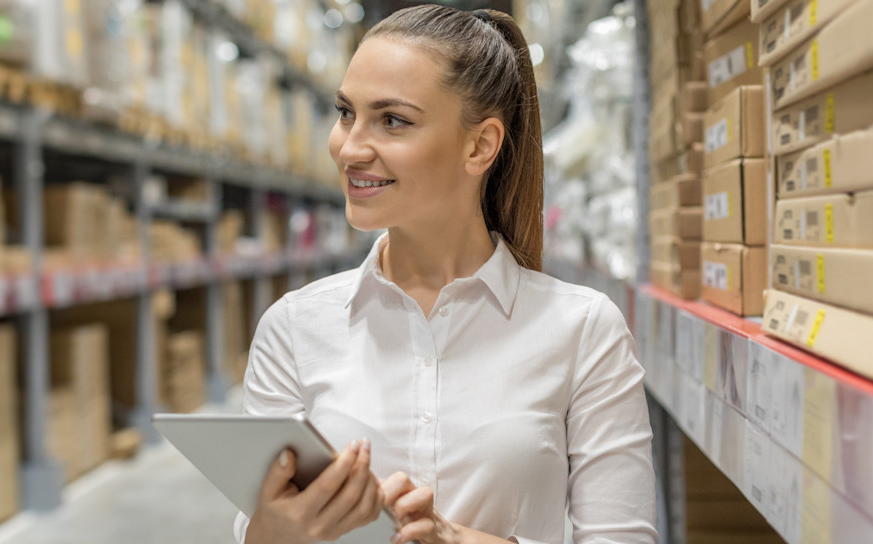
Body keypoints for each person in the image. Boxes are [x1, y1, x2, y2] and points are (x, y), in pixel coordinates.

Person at [235, 5, 657, 544]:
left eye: (393, 120)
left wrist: (461, 541)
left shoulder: (583, 331)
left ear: (480, 145)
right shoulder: (294, 329)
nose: (350, 148)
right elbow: (253, 525)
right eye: (345, 113)